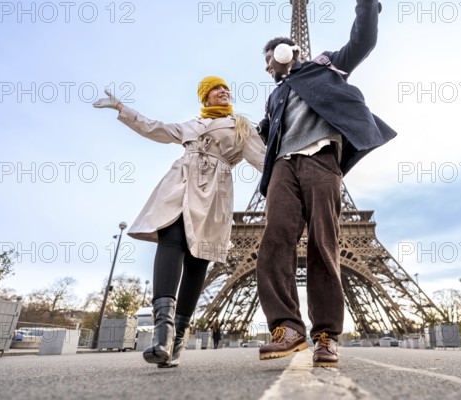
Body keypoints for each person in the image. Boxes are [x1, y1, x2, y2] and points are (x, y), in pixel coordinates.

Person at [255, 0, 395, 368]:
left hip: (320, 158)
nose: (267, 67)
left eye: (269, 59)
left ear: (286, 52)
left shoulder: (324, 66)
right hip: (283, 167)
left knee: (324, 243)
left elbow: (362, 41)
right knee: (274, 240)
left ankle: (326, 335)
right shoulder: (275, 96)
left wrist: (366, 5)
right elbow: (265, 135)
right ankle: (287, 327)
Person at [93, 76, 265, 368]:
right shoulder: (191, 125)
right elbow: (155, 128)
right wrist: (122, 107)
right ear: (205, 97)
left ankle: (178, 339)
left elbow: (262, 159)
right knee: (170, 241)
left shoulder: (241, 126)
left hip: (214, 191)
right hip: (180, 185)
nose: (224, 91)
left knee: (199, 261)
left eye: (226, 88)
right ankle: (164, 334)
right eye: (216, 89)